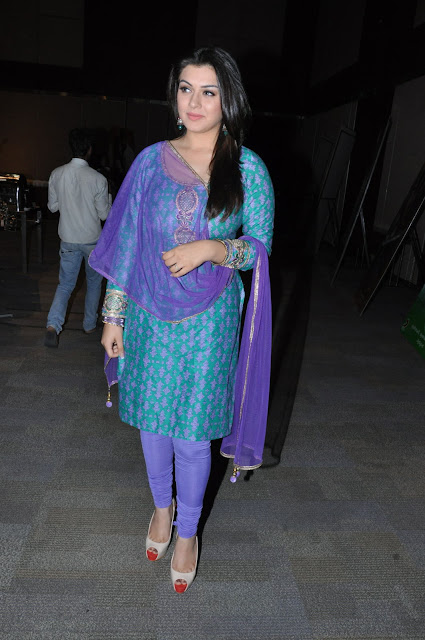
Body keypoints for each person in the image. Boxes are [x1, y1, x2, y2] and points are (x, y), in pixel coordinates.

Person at [89, 46, 275, 593]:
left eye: (208, 91)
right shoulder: (150, 162)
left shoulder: (248, 168)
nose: (194, 101)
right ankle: (161, 508)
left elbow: (259, 248)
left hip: (210, 320)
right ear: (174, 97)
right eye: (186, 88)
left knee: (192, 435)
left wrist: (214, 249)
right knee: (151, 423)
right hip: (149, 313)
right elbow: (127, 244)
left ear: (228, 100)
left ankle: (188, 533)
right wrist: (113, 315)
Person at [44, 128, 112, 347]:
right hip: (92, 241)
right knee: (94, 283)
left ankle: (53, 325)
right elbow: (104, 215)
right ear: (89, 149)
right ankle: (89, 324)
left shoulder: (57, 174)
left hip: (68, 238)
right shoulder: (98, 178)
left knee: (65, 285)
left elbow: (52, 207)